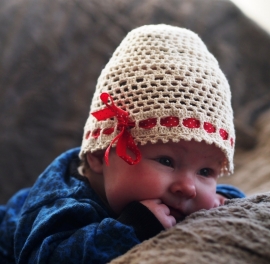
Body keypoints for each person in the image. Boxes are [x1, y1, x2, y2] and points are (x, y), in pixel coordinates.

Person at [0, 24, 245, 264]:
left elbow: (230, 200)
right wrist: (132, 227)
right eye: (167, 161)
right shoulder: (63, 204)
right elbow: (46, 257)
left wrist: (221, 199)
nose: (189, 187)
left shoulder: (177, 192)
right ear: (99, 155)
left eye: (206, 172)